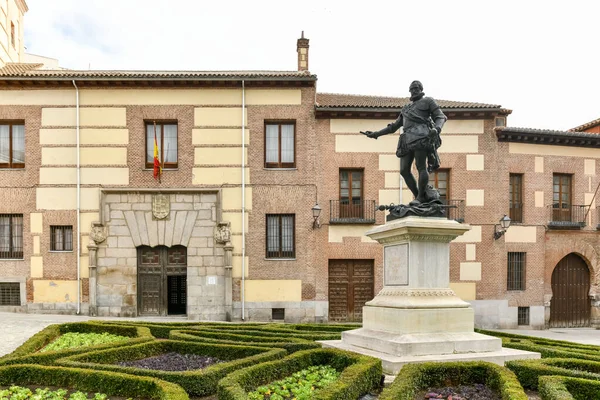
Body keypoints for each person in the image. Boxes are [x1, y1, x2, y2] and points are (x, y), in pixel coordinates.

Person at [361, 80, 447, 205]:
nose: (414, 90)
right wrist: (376, 134)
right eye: (412, 88)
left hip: (422, 136)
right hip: (407, 140)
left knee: (421, 167)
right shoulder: (406, 109)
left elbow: (440, 116)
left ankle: (420, 198)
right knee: (404, 170)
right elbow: (393, 126)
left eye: (416, 88)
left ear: (421, 89)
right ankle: (420, 196)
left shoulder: (428, 101)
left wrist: (437, 129)